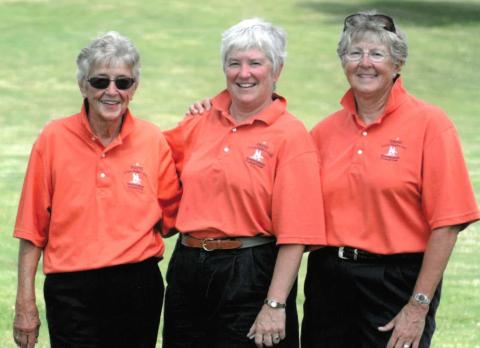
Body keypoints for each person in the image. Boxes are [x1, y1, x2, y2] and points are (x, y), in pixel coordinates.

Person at [301, 11, 480, 348]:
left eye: (377, 54)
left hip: (397, 283)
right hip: (329, 281)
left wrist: (418, 305)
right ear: (343, 62)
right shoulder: (323, 132)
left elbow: (448, 223)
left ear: (398, 64)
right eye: (354, 53)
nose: (364, 63)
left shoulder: (431, 124)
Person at [162, 18, 325, 348]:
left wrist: (275, 304)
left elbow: (296, 233)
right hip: (188, 266)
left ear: (276, 71)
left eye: (255, 63)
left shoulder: (291, 135)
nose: (243, 72)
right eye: (234, 63)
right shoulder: (198, 121)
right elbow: (157, 175)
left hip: (251, 271)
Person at [12, 31, 181, 348]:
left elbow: (172, 220)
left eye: (123, 82)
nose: (112, 91)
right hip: (71, 289)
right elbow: (31, 229)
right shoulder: (53, 139)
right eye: (100, 81)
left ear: (134, 88)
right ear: (83, 85)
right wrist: (25, 303)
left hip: (138, 287)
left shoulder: (152, 140)